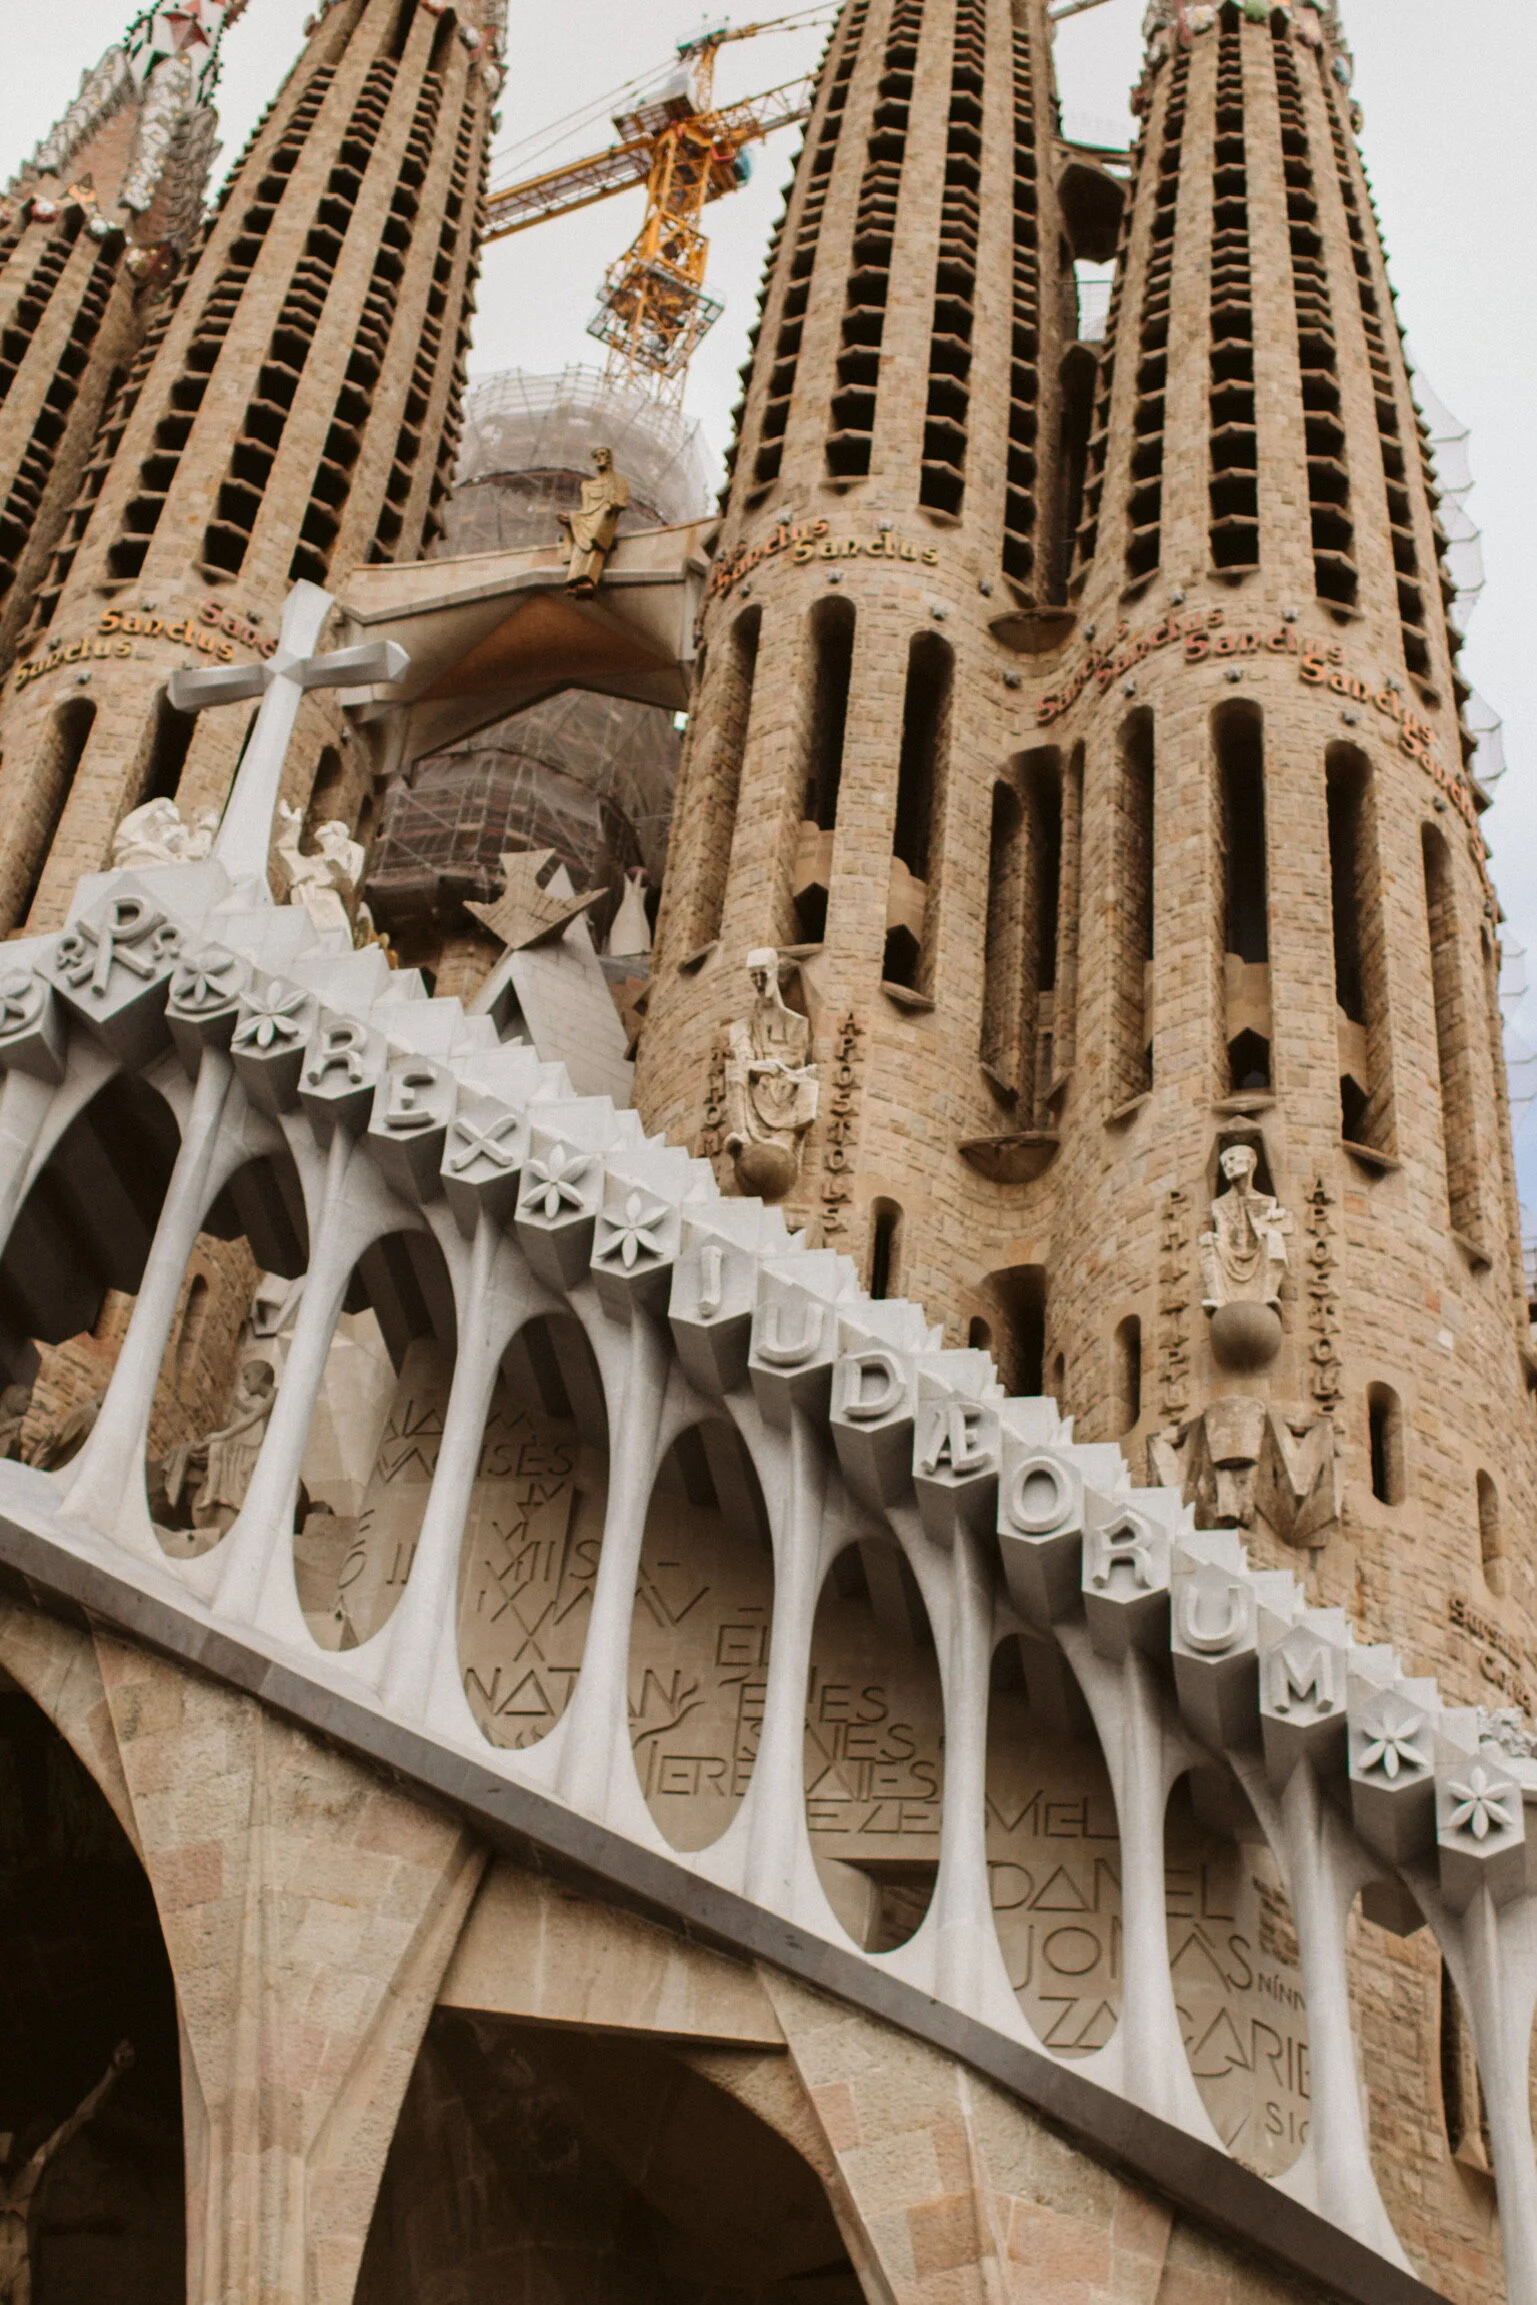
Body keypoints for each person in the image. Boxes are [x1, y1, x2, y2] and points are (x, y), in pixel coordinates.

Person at [0, 2041, 133, 2305]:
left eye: (8, 2167)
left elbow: (78, 2120)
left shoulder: (31, 2173)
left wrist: (112, 2074)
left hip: (22, 2265)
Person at [558, 447, 629, 594]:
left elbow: (622, 502)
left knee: (595, 536)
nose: (599, 458)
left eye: (602, 455)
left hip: (604, 519)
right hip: (588, 520)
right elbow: (586, 510)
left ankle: (589, 580)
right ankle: (574, 580)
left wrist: (611, 506)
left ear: (609, 458)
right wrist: (571, 517)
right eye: (596, 456)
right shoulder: (587, 486)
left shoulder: (619, 482)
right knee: (580, 533)